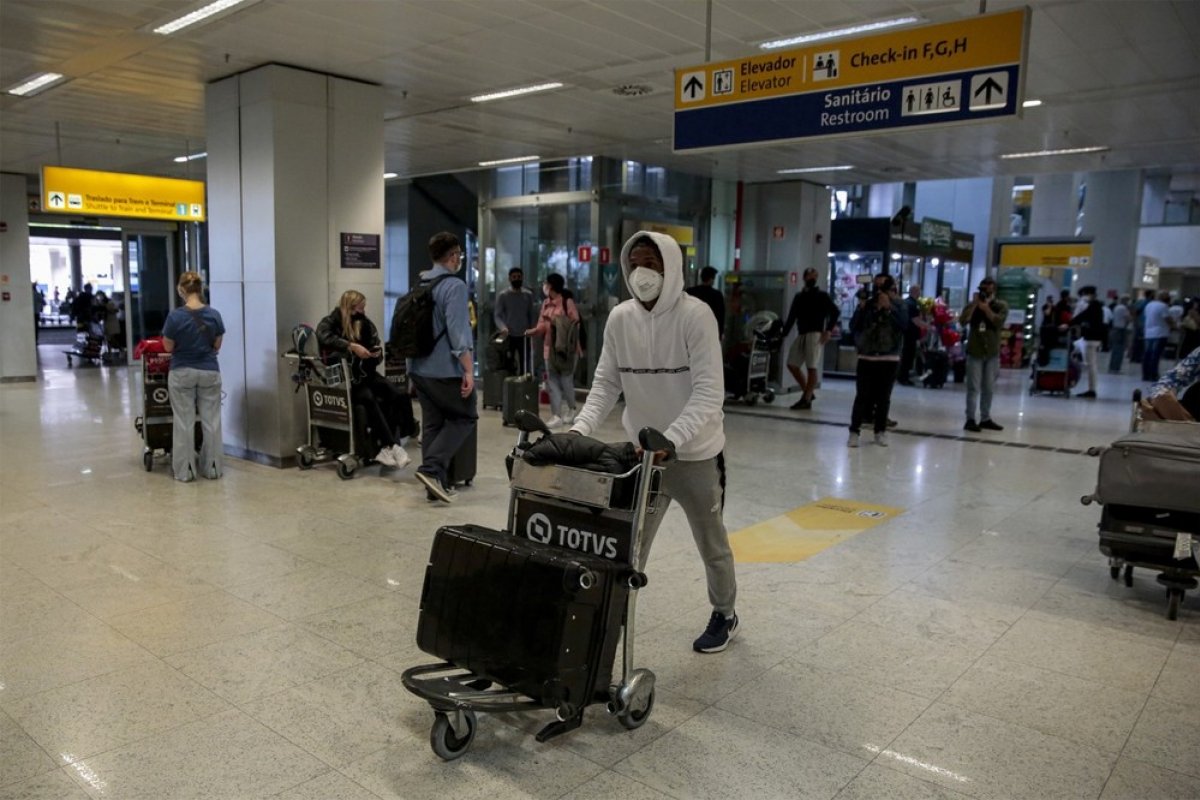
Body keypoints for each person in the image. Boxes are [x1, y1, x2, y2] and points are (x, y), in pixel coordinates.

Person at [568, 231, 738, 654]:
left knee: (712, 543)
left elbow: (708, 392)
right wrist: (577, 431)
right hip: (644, 458)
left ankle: (725, 613)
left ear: (671, 267)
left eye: (653, 263)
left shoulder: (695, 316)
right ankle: (612, 618)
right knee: (629, 546)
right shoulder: (620, 318)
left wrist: (672, 438)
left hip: (695, 454)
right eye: (636, 263)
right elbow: (606, 383)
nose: (643, 273)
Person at [409, 231, 477, 503]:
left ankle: (434, 485)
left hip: (419, 368)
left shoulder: (421, 281)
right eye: (459, 254)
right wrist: (469, 370)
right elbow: (458, 333)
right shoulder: (454, 286)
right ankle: (431, 469)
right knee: (465, 417)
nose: (460, 258)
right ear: (453, 256)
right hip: (444, 369)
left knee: (433, 424)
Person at [317, 290, 414, 470]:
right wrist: (351, 347)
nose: (363, 311)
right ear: (350, 307)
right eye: (360, 307)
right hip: (346, 378)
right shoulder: (330, 322)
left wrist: (375, 354)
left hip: (366, 373)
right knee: (368, 398)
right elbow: (323, 336)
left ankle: (398, 438)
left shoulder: (365, 323)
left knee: (396, 393)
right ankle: (390, 445)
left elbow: (375, 347)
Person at [162, 271, 225, 483]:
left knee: (184, 422)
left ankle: (186, 471)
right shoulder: (214, 314)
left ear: (181, 290)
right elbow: (217, 345)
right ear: (200, 288)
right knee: (212, 421)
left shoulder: (175, 317)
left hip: (182, 372)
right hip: (209, 371)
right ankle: (213, 468)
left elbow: (168, 346)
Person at [847, 275, 906, 447]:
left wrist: (889, 308)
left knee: (883, 397)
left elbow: (904, 326)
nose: (879, 289)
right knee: (862, 396)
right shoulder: (868, 305)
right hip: (867, 356)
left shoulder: (899, 305)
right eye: (877, 285)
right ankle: (854, 431)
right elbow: (853, 326)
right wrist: (862, 308)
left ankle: (880, 431)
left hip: (889, 357)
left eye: (884, 285)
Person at [780, 267, 840, 409]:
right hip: (802, 333)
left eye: (815, 276)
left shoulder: (822, 296)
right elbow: (792, 316)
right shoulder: (799, 296)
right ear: (805, 277)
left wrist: (828, 330)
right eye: (811, 276)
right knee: (792, 364)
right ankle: (808, 391)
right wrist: (784, 333)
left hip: (815, 333)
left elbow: (835, 312)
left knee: (811, 366)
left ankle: (806, 398)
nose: (813, 278)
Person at [526, 272, 580, 427]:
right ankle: (556, 415)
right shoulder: (545, 303)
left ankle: (572, 409)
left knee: (566, 380)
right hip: (549, 348)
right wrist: (534, 331)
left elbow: (575, 323)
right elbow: (542, 323)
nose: (544, 286)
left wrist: (556, 322)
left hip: (566, 350)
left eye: (546, 283)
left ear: (551, 286)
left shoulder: (566, 302)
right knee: (552, 382)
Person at [960, 276, 1008, 433]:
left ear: (994, 289)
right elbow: (963, 321)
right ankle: (970, 419)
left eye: (988, 288)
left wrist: (986, 308)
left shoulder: (1000, 305)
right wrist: (975, 304)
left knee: (988, 387)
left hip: (992, 353)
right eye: (983, 288)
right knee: (973, 387)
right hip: (975, 351)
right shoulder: (972, 305)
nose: (985, 291)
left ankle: (985, 418)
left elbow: (998, 322)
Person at [493, 267, 537, 374]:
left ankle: (523, 388)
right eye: (514, 277)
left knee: (525, 364)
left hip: (525, 335)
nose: (517, 279)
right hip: (509, 336)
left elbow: (531, 315)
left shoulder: (528, 295)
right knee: (509, 363)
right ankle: (510, 388)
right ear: (509, 278)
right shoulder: (503, 296)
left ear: (522, 278)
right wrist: (503, 327)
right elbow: (497, 315)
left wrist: (533, 333)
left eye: (519, 277)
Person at [1069, 285, 1104, 398]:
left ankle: (1092, 390)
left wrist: (1069, 324)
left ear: (1090, 294)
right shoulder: (1097, 306)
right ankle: (1092, 389)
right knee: (1091, 365)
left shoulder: (1094, 306)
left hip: (1091, 338)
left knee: (1091, 365)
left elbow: (1082, 316)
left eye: (1085, 295)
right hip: (1094, 338)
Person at [685, 266, 726, 340]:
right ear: (711, 279)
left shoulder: (690, 292)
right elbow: (720, 316)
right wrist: (720, 333)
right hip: (709, 331)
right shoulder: (717, 295)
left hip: (691, 329)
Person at [1142, 290, 1171, 382]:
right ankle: (1153, 374)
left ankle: (1145, 374)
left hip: (1148, 333)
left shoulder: (1149, 305)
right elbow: (1167, 319)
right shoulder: (1163, 306)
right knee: (1156, 355)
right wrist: (1174, 325)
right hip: (1160, 333)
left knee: (1147, 355)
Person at [898, 283, 922, 385]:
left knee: (907, 356)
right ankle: (904, 377)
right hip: (910, 334)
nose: (920, 293)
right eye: (919, 291)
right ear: (915, 291)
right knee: (908, 356)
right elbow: (915, 320)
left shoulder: (906, 302)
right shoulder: (912, 304)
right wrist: (928, 326)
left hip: (907, 333)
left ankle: (903, 376)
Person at [1108, 296, 1132, 373]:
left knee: (1115, 349)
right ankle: (1116, 368)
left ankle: (1112, 367)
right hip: (1121, 330)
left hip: (1115, 328)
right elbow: (1128, 318)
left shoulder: (1117, 307)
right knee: (1120, 349)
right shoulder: (1123, 308)